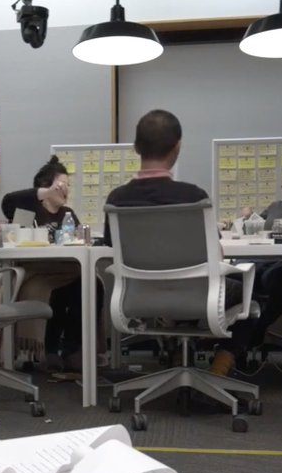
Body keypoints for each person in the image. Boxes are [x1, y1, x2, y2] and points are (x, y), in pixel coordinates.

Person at [103, 109, 264, 374]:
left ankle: (176, 352)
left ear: (136, 147)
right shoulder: (193, 197)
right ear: (177, 148)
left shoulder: (117, 200)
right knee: (249, 287)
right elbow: (216, 255)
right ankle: (222, 362)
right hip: (197, 297)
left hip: (139, 298)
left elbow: (111, 249)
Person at [207, 165, 282, 376]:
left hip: (281, 266)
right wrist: (246, 218)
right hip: (257, 262)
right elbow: (255, 228)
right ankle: (240, 344)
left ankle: (254, 331)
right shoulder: (275, 207)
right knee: (241, 279)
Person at [4, 157, 99, 371]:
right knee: (52, 291)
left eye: (68, 186)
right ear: (45, 187)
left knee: (92, 285)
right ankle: (48, 350)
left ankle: (74, 349)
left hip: (65, 270)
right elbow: (8, 202)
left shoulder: (68, 214)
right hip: (37, 272)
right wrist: (46, 192)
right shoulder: (28, 209)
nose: (66, 191)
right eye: (61, 185)